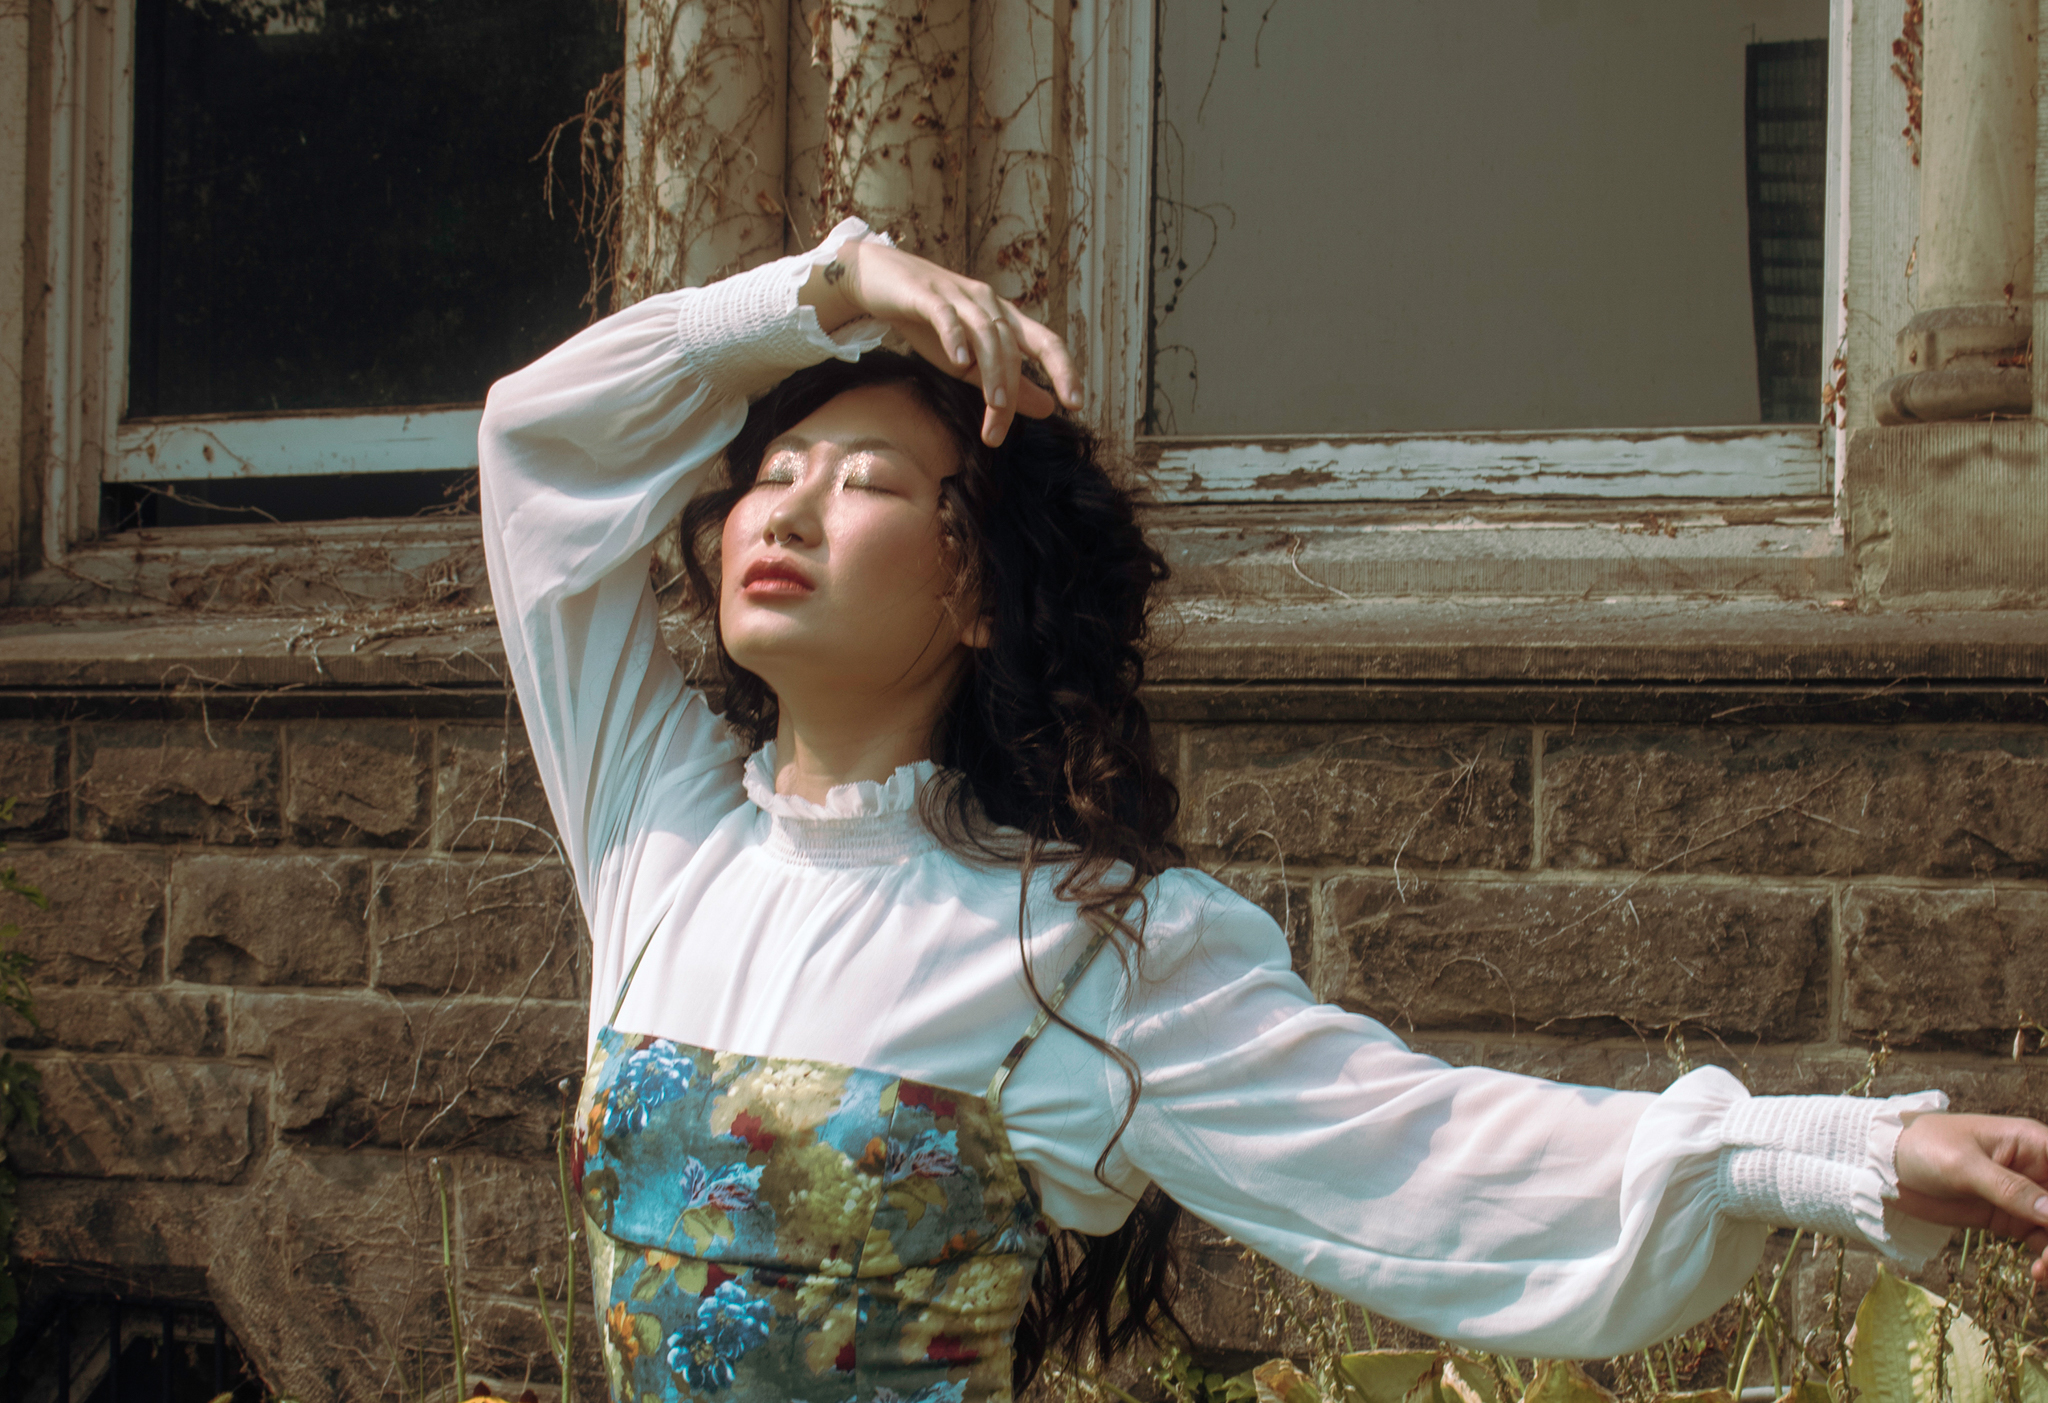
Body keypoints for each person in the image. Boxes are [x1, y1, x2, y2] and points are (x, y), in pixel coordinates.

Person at [478, 220, 2048, 1403]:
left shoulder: (1073, 945)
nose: (790, 506)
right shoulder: (657, 830)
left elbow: (1425, 1150)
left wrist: (1831, 1150)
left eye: (869, 481)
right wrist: (826, 286)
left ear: (979, 594)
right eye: (777, 468)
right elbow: (538, 448)